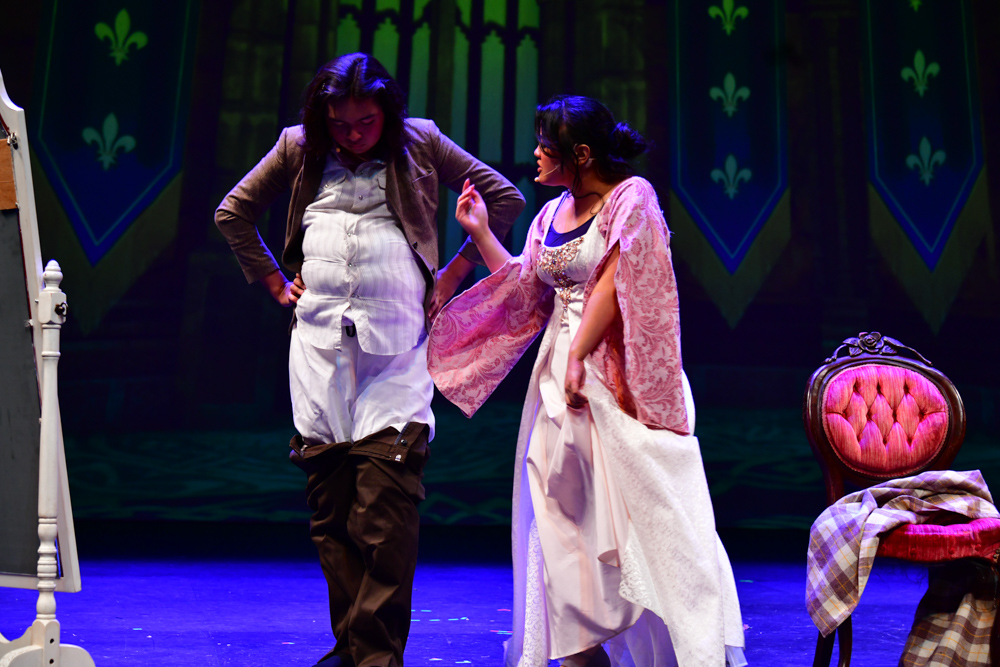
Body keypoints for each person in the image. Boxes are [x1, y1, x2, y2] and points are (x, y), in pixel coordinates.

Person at [215, 53, 524, 667]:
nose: (353, 134)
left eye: (366, 122)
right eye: (340, 123)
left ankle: (376, 656)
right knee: (332, 508)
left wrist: (454, 271)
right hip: (318, 347)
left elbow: (504, 197)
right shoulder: (299, 145)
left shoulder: (419, 139)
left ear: (387, 112)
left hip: (397, 348)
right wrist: (273, 279)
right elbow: (233, 212)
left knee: (384, 505)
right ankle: (352, 647)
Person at [427, 96, 746, 667]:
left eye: (544, 145)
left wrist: (579, 356)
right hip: (557, 376)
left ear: (580, 153)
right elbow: (527, 288)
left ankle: (679, 641)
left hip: (616, 374)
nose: (534, 154)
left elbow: (615, 281)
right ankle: (580, 643)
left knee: (634, 509)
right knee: (557, 503)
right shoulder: (551, 214)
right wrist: (480, 233)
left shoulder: (631, 197)